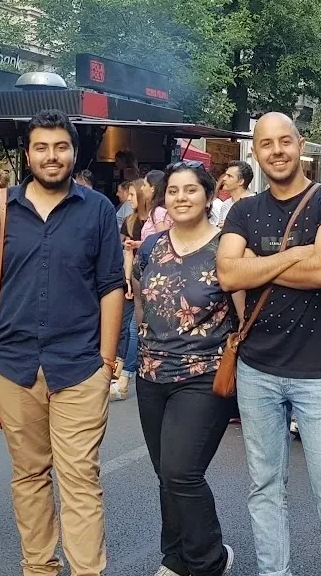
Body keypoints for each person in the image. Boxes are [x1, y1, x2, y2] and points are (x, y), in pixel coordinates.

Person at [0, 109, 124, 576]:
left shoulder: (97, 209)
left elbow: (111, 285)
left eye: (60, 147)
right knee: (30, 475)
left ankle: (87, 571)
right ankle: (38, 568)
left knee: (80, 477)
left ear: (74, 153)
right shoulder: (1, 208)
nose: (51, 156)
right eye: (42, 147)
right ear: (28, 154)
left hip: (80, 364)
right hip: (13, 364)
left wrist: (106, 359)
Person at [216, 112, 321, 576]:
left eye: (285, 141)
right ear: (256, 151)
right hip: (256, 370)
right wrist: (299, 254)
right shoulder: (243, 211)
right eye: (266, 144)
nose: (276, 151)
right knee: (264, 488)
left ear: (301, 144)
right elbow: (227, 274)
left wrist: (260, 263)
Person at [133, 161, 243, 576]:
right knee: (166, 474)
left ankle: (210, 560)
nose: (181, 197)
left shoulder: (227, 247)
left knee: (182, 472)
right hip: (150, 374)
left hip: (203, 374)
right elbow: (141, 300)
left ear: (209, 196)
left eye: (191, 190)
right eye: (173, 190)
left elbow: (243, 315)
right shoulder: (151, 247)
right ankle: (176, 557)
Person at [114, 179, 152, 401]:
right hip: (134, 278)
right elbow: (127, 252)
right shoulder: (130, 220)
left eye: (132, 194)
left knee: (134, 328)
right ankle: (123, 372)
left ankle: (125, 376)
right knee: (127, 326)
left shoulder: (157, 219)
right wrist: (127, 280)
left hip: (152, 280)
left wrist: (139, 245)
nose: (128, 199)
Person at [210, 160, 253, 227]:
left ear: (241, 181)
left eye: (229, 176)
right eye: (225, 175)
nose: (224, 178)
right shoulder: (226, 204)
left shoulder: (254, 204)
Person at [140, 169, 173, 240]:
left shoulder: (159, 211)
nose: (141, 188)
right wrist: (139, 244)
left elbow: (163, 241)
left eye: (144, 185)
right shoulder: (159, 209)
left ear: (153, 188)